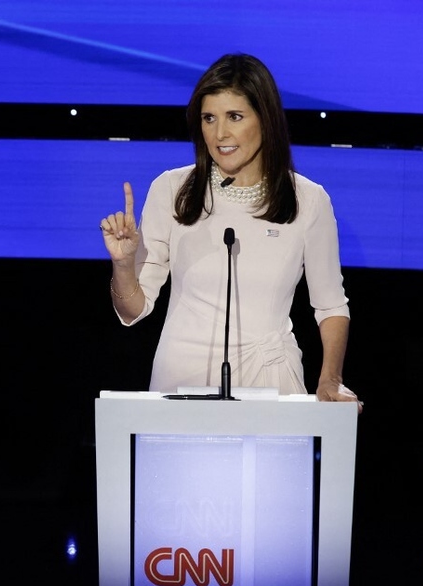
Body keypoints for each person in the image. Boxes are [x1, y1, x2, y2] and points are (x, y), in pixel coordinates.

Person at [99, 53, 362, 412]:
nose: (219, 134)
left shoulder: (309, 200)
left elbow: (331, 305)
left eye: (234, 117)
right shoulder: (172, 189)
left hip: (270, 385)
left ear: (265, 120)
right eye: (209, 118)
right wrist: (124, 264)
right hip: (181, 384)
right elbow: (132, 310)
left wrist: (330, 379)